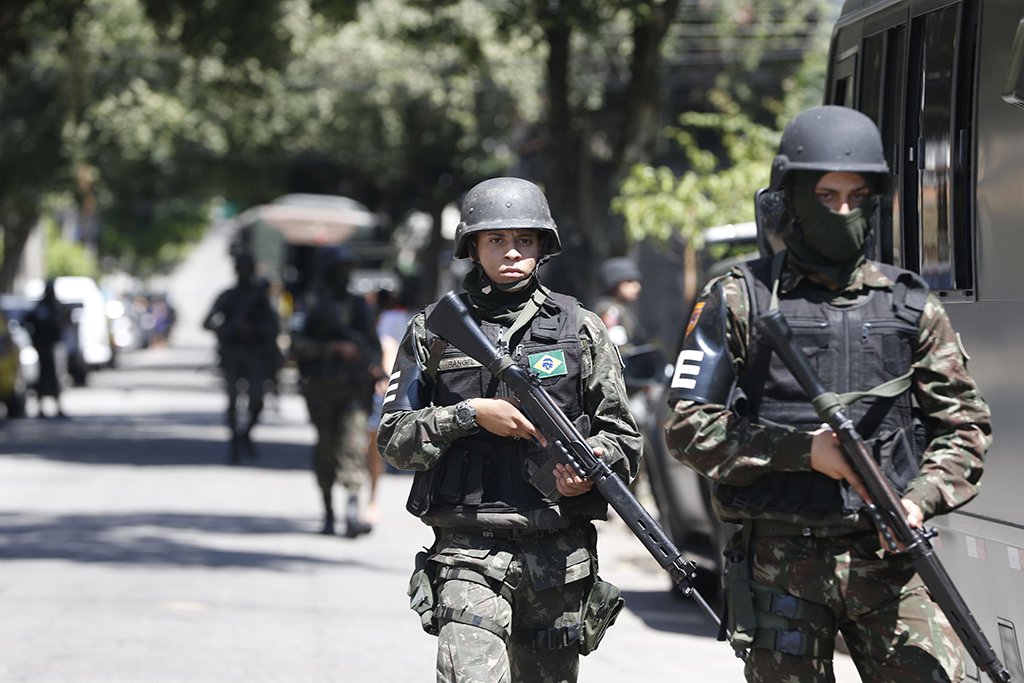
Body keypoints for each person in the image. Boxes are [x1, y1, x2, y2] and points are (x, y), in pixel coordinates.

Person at [664, 105, 992, 682]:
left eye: (855, 196)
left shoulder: (910, 306)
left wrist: (916, 499)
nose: (842, 211)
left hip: (889, 557)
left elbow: (964, 429)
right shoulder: (740, 298)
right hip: (779, 562)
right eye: (826, 196)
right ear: (789, 199)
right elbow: (687, 430)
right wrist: (801, 451)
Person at [377, 177, 642, 682]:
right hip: (467, 554)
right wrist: (468, 415)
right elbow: (393, 438)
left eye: (524, 239)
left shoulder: (582, 329)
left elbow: (623, 439)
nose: (511, 252)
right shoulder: (433, 329)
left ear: (543, 247)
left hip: (559, 558)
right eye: (496, 239)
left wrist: (589, 468)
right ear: (473, 248)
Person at [291, 246, 382, 538]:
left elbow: (373, 347)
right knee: (326, 449)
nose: (345, 275)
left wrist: (373, 364)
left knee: (354, 447)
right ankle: (329, 513)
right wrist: (331, 348)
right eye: (339, 270)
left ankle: (352, 513)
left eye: (348, 269)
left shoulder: (358, 307)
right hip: (321, 389)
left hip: (354, 390)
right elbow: (295, 346)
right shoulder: (312, 305)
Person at [203, 252, 282, 463]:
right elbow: (207, 321)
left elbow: (273, 326)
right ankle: (234, 443)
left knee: (257, 398)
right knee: (232, 398)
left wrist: (253, 329)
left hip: (255, 355)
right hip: (232, 354)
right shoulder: (228, 296)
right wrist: (225, 329)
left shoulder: (260, 299)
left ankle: (245, 434)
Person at [25, 279, 68, 418]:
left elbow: (64, 322)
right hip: (43, 348)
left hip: (54, 347)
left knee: (57, 377)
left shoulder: (56, 306)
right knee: (42, 378)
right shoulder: (41, 307)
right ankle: (40, 408)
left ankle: (58, 407)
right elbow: (28, 320)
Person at [592, 256, 647, 353]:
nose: (637, 287)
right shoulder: (611, 311)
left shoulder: (620, 307)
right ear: (614, 285)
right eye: (629, 281)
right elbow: (618, 348)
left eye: (637, 281)